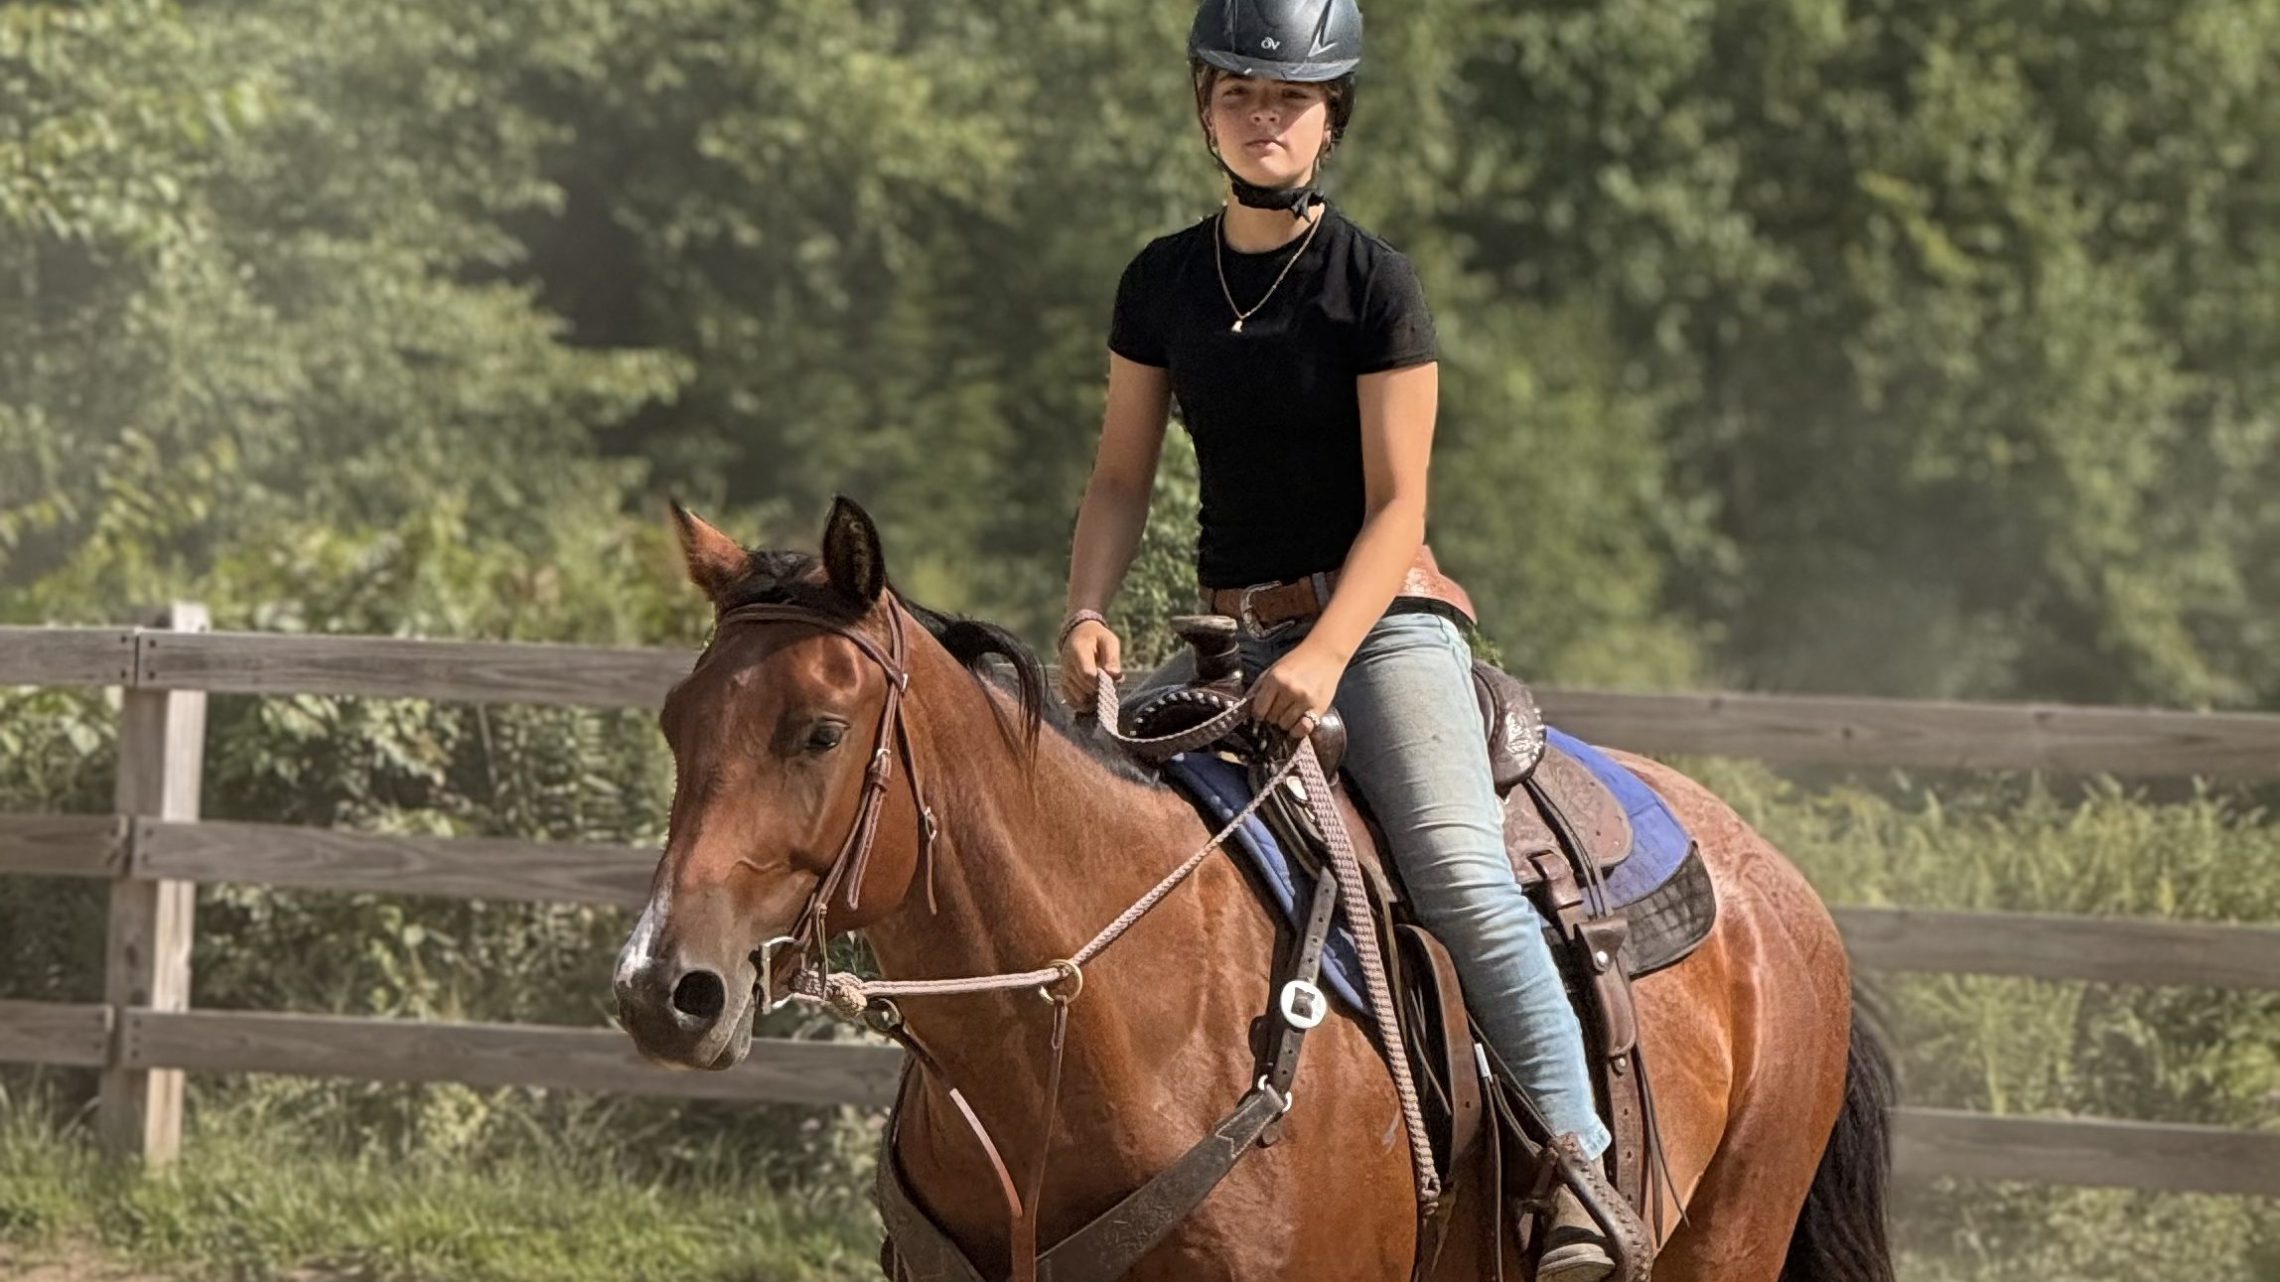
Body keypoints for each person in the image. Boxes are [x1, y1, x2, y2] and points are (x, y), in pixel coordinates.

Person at [1055, 3, 1626, 1277]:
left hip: (1380, 622)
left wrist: (1320, 655)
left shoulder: (1375, 283)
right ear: (1205, 106)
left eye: (1293, 98)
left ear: (1332, 118)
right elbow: (1117, 482)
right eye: (1244, 92)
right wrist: (1089, 613)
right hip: (1224, 637)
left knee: (1456, 869)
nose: (1268, 116)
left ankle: (1580, 1163)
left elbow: (1398, 507)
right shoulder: (1159, 282)